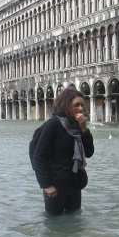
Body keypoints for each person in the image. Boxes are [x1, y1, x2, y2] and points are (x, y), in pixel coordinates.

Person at [32, 87, 94, 215]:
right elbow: (38, 157)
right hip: (55, 186)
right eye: (76, 105)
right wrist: (46, 185)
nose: (81, 109)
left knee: (74, 221)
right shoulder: (53, 125)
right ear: (66, 105)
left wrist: (84, 129)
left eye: (82, 105)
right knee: (54, 224)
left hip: (74, 183)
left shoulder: (78, 126)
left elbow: (89, 152)